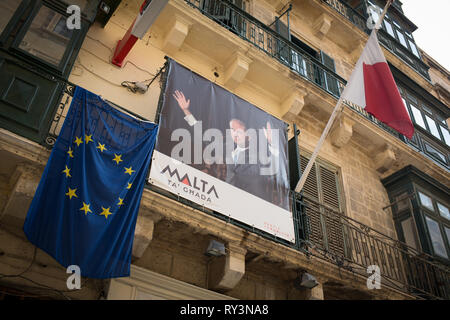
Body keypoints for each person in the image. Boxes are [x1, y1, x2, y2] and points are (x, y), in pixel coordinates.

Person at [172, 90, 283, 203]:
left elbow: (274, 168)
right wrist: (186, 110)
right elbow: (200, 134)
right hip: (222, 205)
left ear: (248, 135)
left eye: (238, 131)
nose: (234, 134)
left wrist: (272, 144)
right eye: (231, 130)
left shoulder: (257, 156)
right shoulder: (225, 149)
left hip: (248, 207)